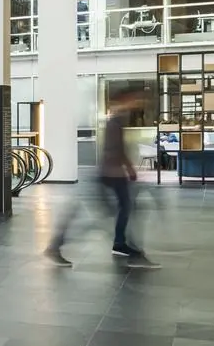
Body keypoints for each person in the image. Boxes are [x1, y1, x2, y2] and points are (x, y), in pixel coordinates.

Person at [49, 86, 151, 267]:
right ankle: (55, 246)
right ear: (123, 99)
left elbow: (116, 149)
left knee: (125, 207)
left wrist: (127, 168)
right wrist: (129, 168)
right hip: (110, 174)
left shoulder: (118, 119)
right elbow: (113, 149)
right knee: (100, 219)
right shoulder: (115, 121)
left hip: (112, 174)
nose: (137, 102)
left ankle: (121, 244)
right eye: (133, 98)